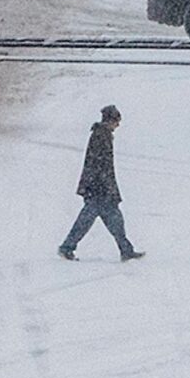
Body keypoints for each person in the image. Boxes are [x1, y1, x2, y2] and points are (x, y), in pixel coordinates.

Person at [59, 105, 142, 261]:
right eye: (117, 121)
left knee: (112, 220)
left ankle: (126, 250)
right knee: (90, 221)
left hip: (97, 188)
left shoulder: (102, 134)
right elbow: (101, 165)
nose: (118, 124)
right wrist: (107, 187)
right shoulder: (101, 135)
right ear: (110, 120)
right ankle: (67, 247)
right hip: (98, 189)